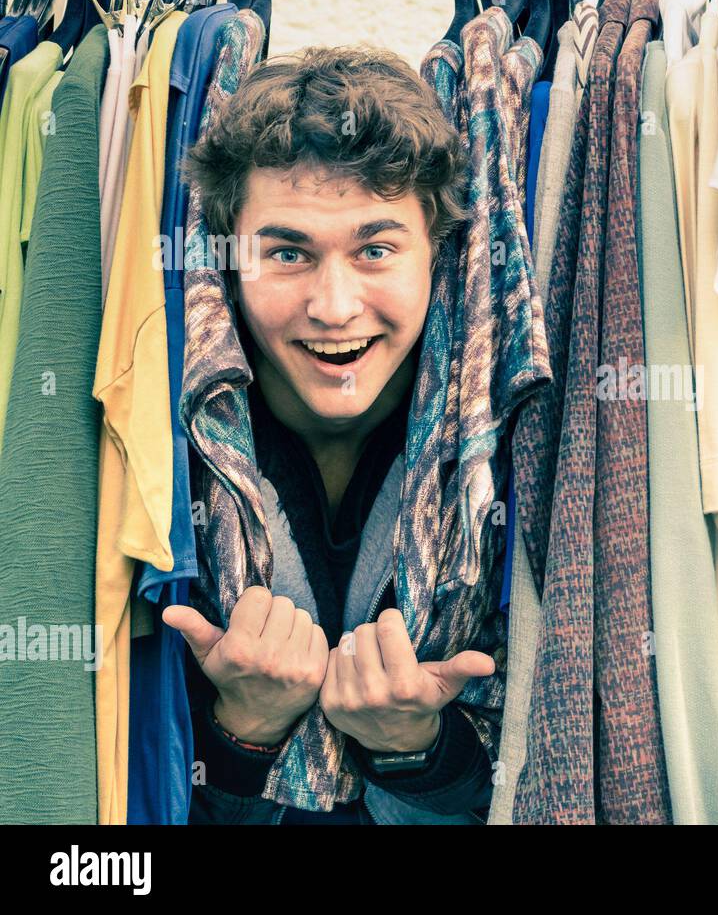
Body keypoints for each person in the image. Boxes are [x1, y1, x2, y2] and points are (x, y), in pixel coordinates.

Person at [161, 46, 497, 823]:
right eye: (287, 253)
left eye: (375, 251)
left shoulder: (499, 451)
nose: (335, 306)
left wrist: (416, 748)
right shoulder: (166, 455)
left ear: (437, 256)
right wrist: (240, 735)